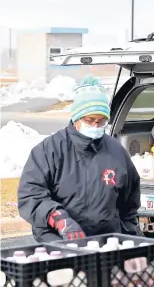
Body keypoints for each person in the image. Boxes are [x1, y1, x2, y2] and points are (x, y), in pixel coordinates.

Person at [18, 76, 140, 242]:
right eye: (90, 120)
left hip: (105, 244)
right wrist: (59, 219)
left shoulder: (116, 152)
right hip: (58, 243)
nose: (96, 126)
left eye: (101, 121)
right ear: (77, 118)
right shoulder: (49, 150)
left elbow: (129, 204)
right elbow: (30, 196)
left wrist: (128, 236)